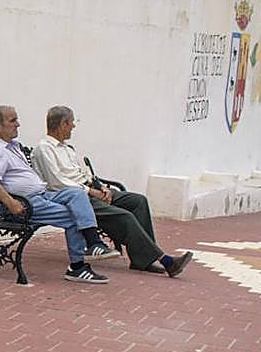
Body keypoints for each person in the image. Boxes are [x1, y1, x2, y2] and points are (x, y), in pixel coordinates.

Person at [32, 105, 192, 278]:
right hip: (75, 198)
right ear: (62, 124)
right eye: (71, 123)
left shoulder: (67, 148)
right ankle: (165, 260)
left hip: (89, 190)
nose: (73, 127)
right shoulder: (44, 148)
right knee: (125, 216)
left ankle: (142, 259)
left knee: (138, 201)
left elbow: (82, 174)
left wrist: (101, 187)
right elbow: (57, 182)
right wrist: (91, 192)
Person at [0, 105, 117, 284]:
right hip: (24, 205)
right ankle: (78, 267)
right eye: (12, 121)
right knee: (75, 216)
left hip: (42, 196)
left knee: (76, 194)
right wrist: (11, 203)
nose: (18, 124)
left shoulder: (11, 147)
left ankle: (94, 244)